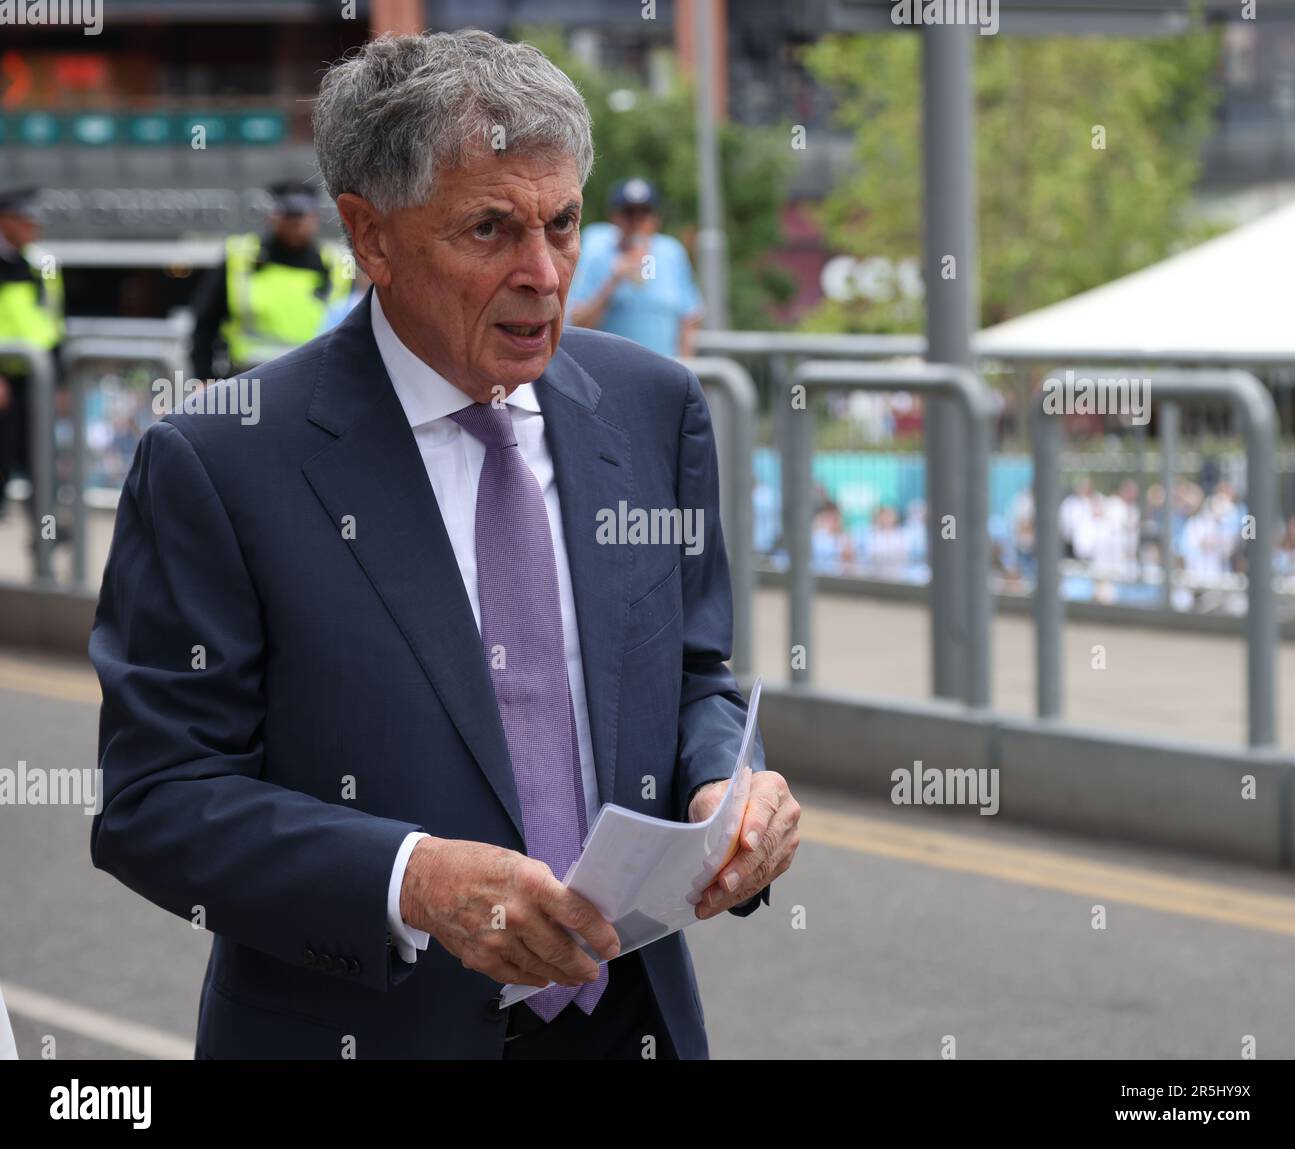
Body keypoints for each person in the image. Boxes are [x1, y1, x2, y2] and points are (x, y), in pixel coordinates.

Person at [89, 30, 798, 1061]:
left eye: (562, 225)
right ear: (369, 237)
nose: (544, 274)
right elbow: (157, 802)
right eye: (489, 230)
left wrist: (725, 791)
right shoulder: (218, 463)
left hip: (629, 1026)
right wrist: (411, 881)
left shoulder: (654, 409)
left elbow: (693, 678)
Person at [189, 181, 352, 379]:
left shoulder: (338, 265)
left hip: (313, 378)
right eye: (288, 214)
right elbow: (205, 325)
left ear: (315, 217)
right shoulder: (239, 257)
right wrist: (204, 378)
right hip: (247, 376)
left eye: (300, 215)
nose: (294, 222)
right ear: (272, 215)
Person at [566, 178, 705, 358]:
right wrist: (612, 284)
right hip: (611, 376)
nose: (636, 223)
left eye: (644, 214)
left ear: (655, 219)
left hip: (663, 377)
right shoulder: (597, 254)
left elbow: (690, 318)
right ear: (615, 218)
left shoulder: (671, 253)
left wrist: (685, 369)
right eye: (629, 214)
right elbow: (576, 326)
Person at [0, 186, 64, 523]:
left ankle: (45, 544)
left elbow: (54, 327)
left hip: (35, 380)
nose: (34, 228)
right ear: (5, 221)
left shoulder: (44, 263)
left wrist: (61, 382)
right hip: (3, 383)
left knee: (41, 464)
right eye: (26, 221)